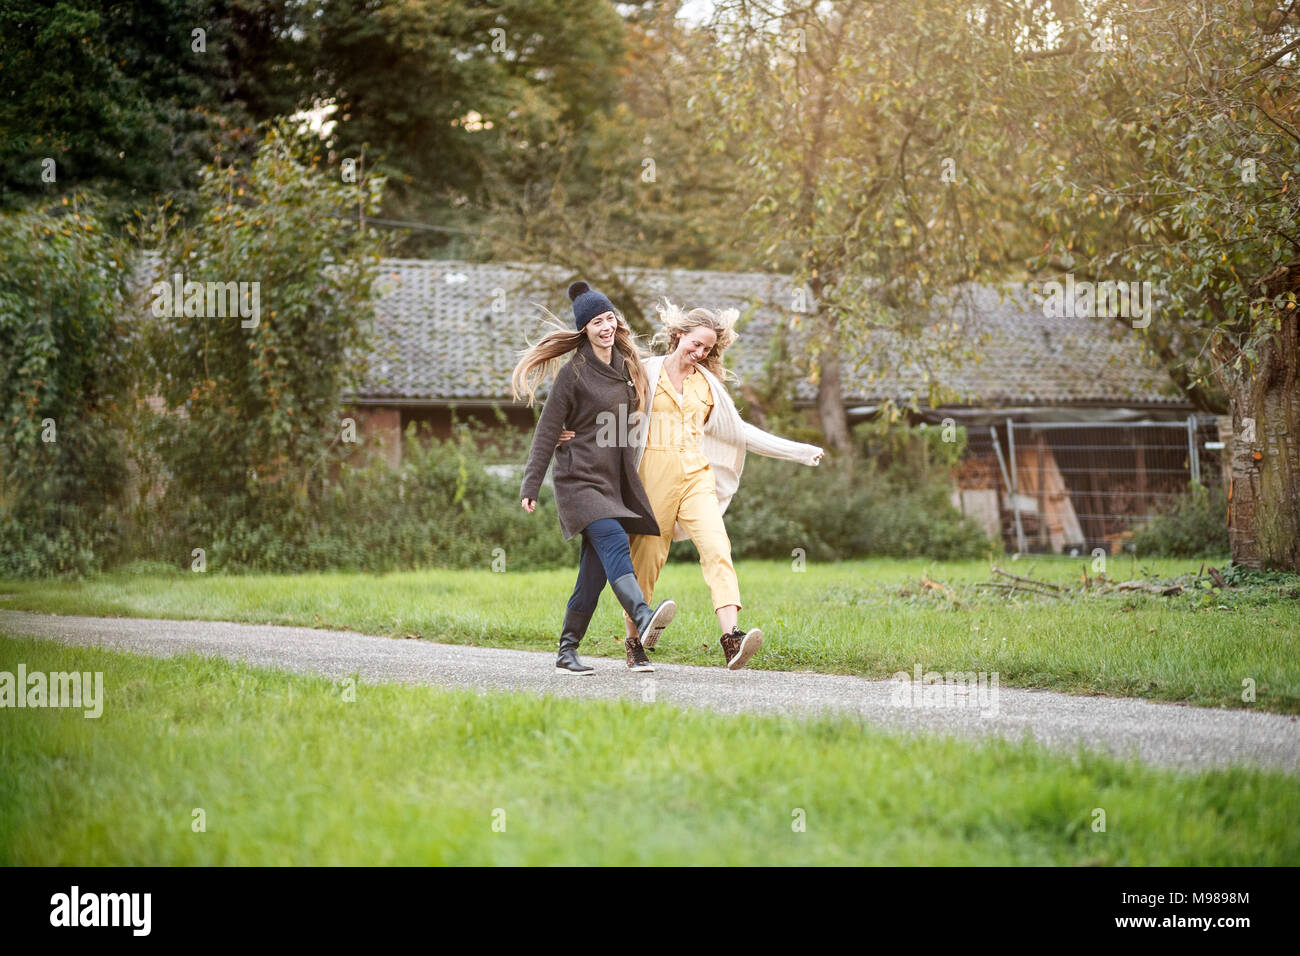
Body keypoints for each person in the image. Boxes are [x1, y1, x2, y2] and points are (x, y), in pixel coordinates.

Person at [563, 299, 823, 670]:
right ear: (678, 335)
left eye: (707, 348)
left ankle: (731, 638)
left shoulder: (708, 387)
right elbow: (604, 400)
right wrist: (569, 429)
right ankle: (635, 643)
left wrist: (798, 451)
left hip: (696, 478)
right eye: (695, 343)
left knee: (717, 546)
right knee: (647, 564)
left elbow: (739, 432)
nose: (700, 352)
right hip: (650, 481)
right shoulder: (645, 371)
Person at [514, 280, 676, 675]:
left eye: (609, 318)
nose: (605, 326)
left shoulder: (626, 367)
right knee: (615, 541)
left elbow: (633, 415)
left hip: (611, 482)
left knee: (593, 577)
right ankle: (643, 613)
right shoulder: (573, 374)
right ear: (584, 329)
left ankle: (566, 652)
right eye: (597, 322)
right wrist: (531, 485)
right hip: (578, 481)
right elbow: (547, 430)